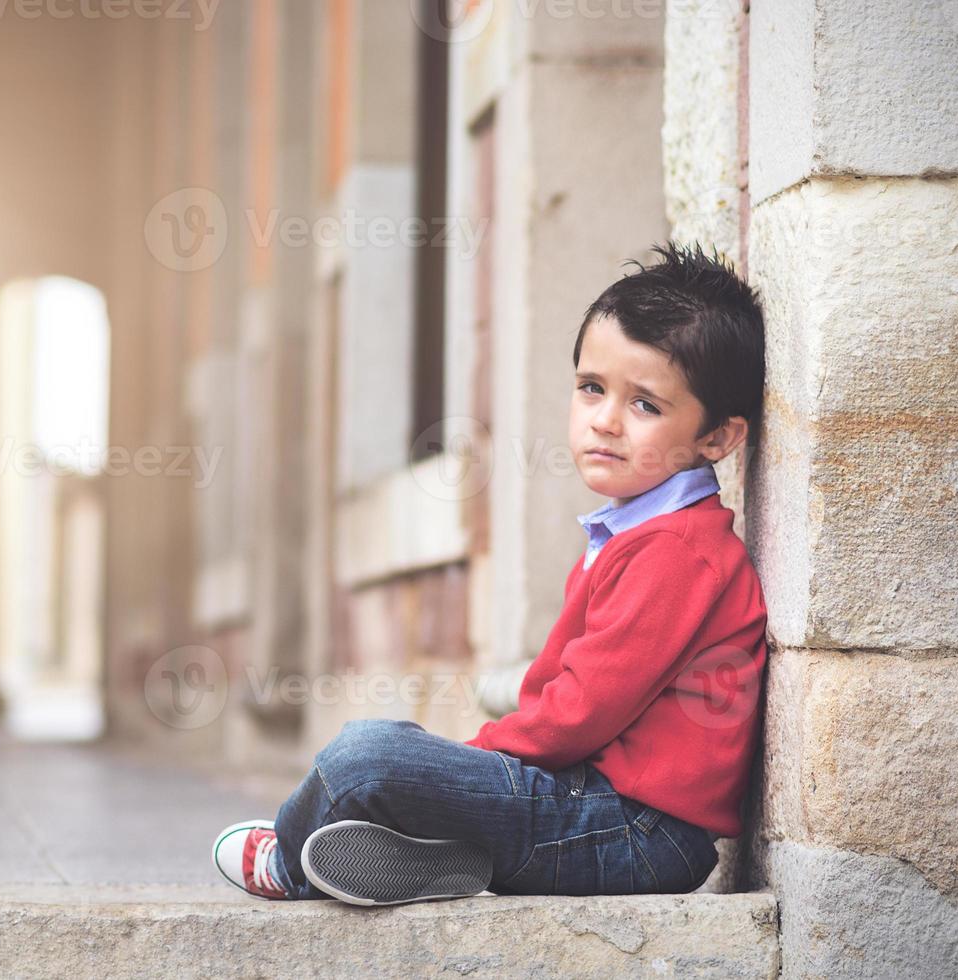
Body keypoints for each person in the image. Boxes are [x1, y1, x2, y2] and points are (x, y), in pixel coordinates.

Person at [212, 242, 769, 905]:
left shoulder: (679, 552)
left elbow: (579, 712)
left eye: (645, 405)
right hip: (603, 817)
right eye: (592, 388)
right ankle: (436, 857)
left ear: (718, 438)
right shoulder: (639, 533)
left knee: (365, 757)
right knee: (397, 762)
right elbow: (564, 695)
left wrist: (476, 762)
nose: (605, 421)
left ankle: (286, 860)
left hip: (637, 834)